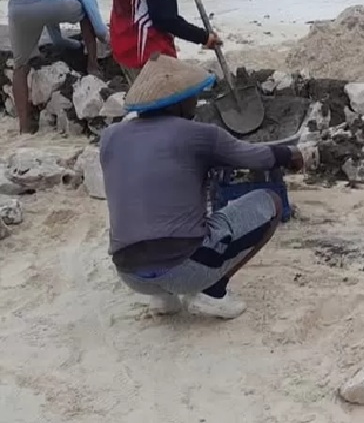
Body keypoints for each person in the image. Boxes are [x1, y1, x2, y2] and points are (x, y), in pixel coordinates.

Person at [100, 53, 303, 319]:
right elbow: (257, 158)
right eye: (192, 96)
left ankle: (163, 298)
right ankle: (213, 292)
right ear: (182, 102)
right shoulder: (200, 134)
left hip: (129, 272)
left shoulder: (111, 137)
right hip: (186, 267)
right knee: (270, 202)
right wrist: (292, 156)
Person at [7, 0, 109, 134]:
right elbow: (99, 28)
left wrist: (75, 44)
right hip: (44, 3)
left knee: (20, 67)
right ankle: (92, 66)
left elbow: (57, 39)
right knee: (86, 15)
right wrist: (110, 41)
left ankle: (24, 126)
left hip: (16, 6)